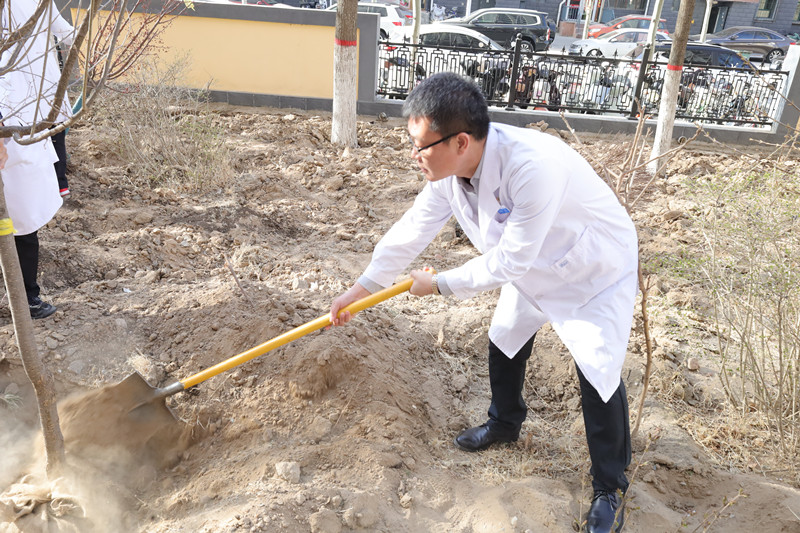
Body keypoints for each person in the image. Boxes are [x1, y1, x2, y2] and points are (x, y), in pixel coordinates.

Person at [329, 72, 638, 533]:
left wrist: (439, 284)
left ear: (460, 141)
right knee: (505, 337)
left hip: (590, 270)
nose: (414, 156)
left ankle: (610, 487)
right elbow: (415, 226)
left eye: (421, 146)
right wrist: (364, 287)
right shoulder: (451, 172)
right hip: (533, 268)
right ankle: (504, 423)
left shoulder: (532, 167)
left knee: (598, 370)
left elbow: (510, 260)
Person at [0, 0, 74, 319]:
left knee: (23, 219)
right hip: (11, 120)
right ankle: (26, 297)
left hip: (28, 118)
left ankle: (27, 296)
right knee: (19, 217)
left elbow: (66, 31)